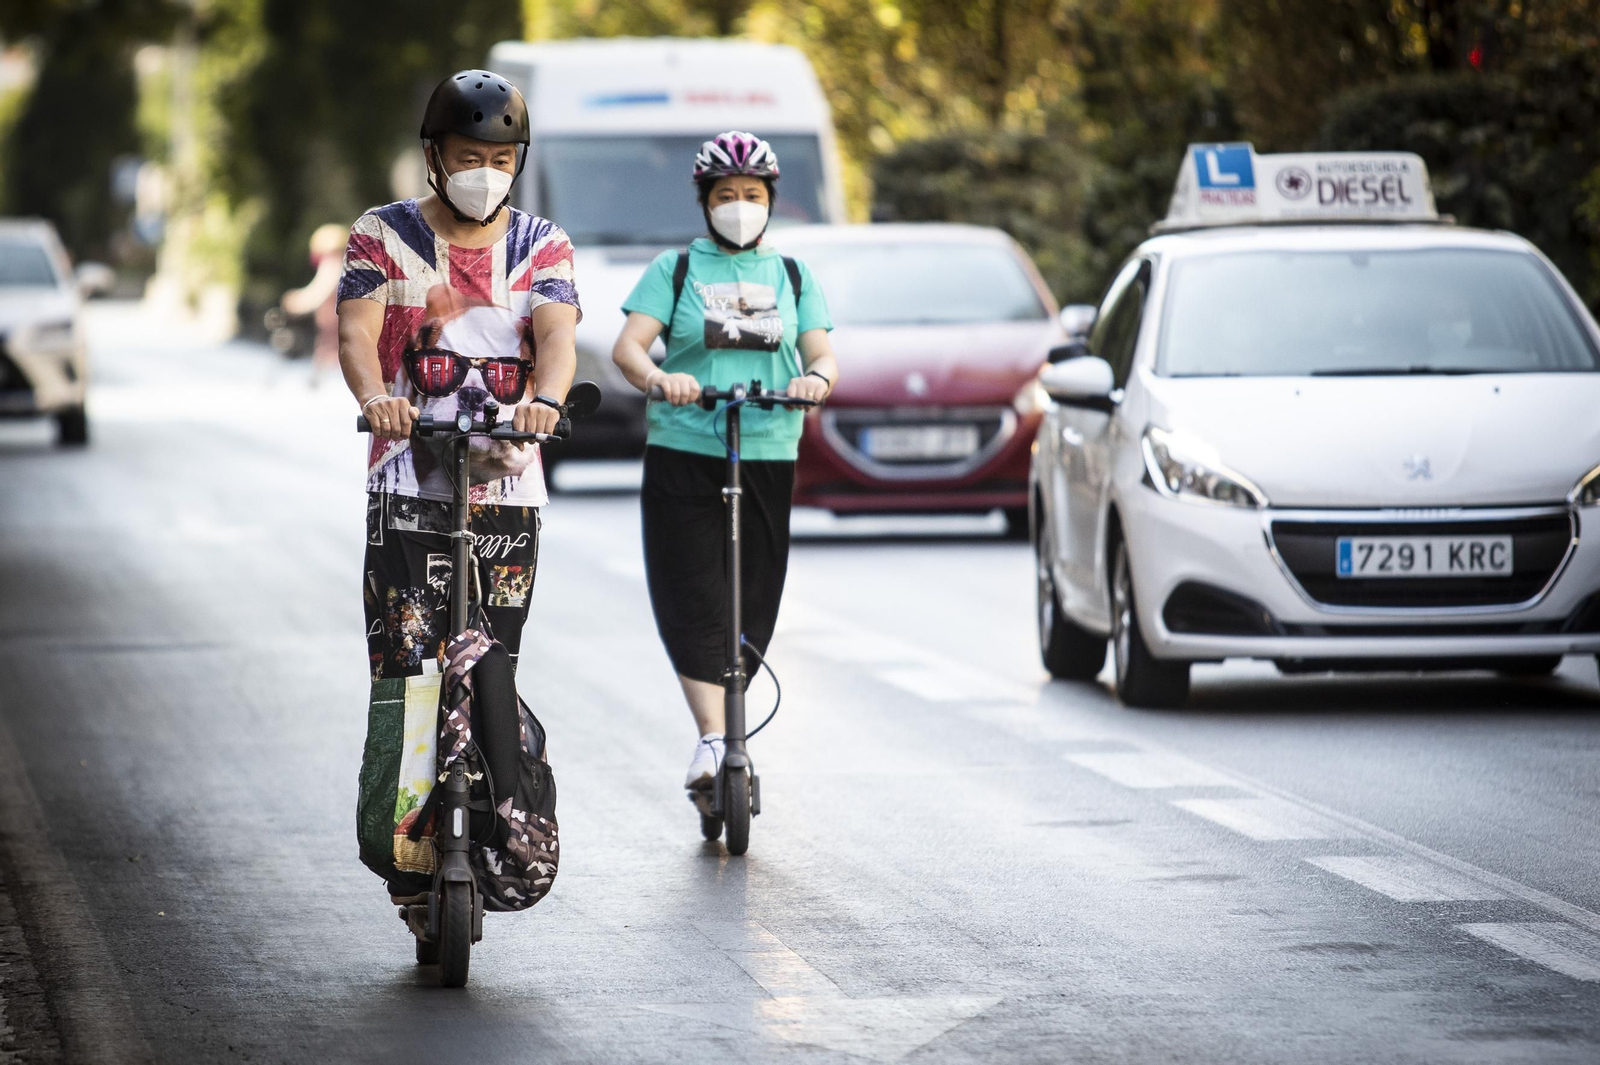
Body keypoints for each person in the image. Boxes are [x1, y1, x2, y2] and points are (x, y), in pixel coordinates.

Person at [337, 69, 579, 694]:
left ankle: (495, 790)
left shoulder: (542, 244)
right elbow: (356, 334)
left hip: (507, 488)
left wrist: (546, 400)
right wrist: (376, 399)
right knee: (406, 675)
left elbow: (556, 336)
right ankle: (405, 795)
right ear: (433, 156)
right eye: (470, 157)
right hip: (406, 488)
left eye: (501, 159)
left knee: (496, 673)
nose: (486, 172)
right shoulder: (381, 234)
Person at [611, 131, 838, 791]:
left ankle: (732, 722)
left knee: (755, 595)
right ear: (705, 202)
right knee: (690, 591)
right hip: (686, 446)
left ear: (771, 200)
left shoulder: (793, 275)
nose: (739, 205)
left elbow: (822, 356)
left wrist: (815, 383)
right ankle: (714, 739)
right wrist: (659, 379)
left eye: (751, 195)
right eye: (725, 195)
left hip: (767, 446)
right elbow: (630, 347)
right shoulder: (674, 271)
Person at [280, 223, 348, 385]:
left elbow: (320, 290)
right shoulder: (343, 262)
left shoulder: (333, 262)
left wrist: (298, 302)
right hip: (335, 318)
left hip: (336, 317)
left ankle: (320, 383)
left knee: (331, 350)